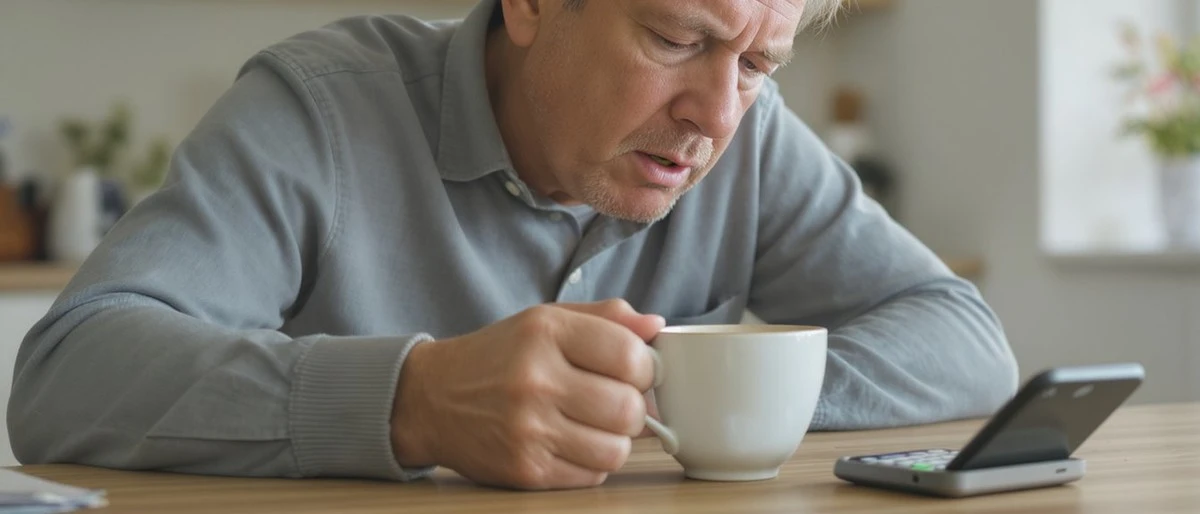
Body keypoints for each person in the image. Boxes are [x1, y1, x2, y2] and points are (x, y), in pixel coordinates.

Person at [8, 0, 1019, 491]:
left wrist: (681, 396)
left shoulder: (753, 134)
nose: (715, 114)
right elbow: (66, 376)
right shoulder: (320, 109)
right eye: (675, 39)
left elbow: (965, 341)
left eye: (757, 61)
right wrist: (416, 400)